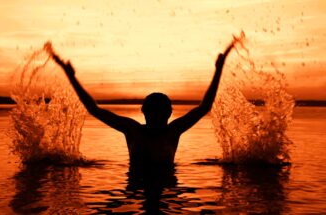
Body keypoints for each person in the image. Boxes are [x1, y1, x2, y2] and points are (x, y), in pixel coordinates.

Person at [49, 42, 234, 171]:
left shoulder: (173, 131)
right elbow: (94, 109)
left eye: (160, 114)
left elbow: (204, 107)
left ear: (169, 113)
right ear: (144, 112)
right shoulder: (132, 130)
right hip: (135, 192)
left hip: (167, 191)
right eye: (153, 113)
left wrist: (219, 70)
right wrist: (71, 76)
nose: (156, 118)